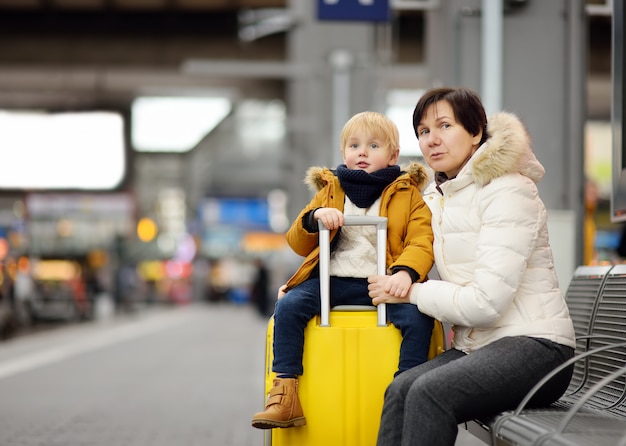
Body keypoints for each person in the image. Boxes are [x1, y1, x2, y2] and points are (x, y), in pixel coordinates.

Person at [367, 87, 576, 446]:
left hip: (539, 348)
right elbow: (385, 241)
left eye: (444, 126)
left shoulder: (509, 190)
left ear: (476, 132)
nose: (432, 139)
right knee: (401, 389)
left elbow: (486, 303)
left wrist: (411, 292)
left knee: (430, 392)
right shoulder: (437, 199)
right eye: (423, 131)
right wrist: (303, 283)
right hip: (479, 346)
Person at [251, 111, 436, 430]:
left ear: (393, 155)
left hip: (381, 282)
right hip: (332, 279)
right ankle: (285, 392)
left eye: (373, 145)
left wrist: (404, 274)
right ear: (343, 153)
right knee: (290, 306)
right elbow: (297, 240)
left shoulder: (407, 194)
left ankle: (406, 392)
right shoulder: (331, 190)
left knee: (419, 318)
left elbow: (421, 240)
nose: (362, 152)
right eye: (354, 145)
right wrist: (316, 216)